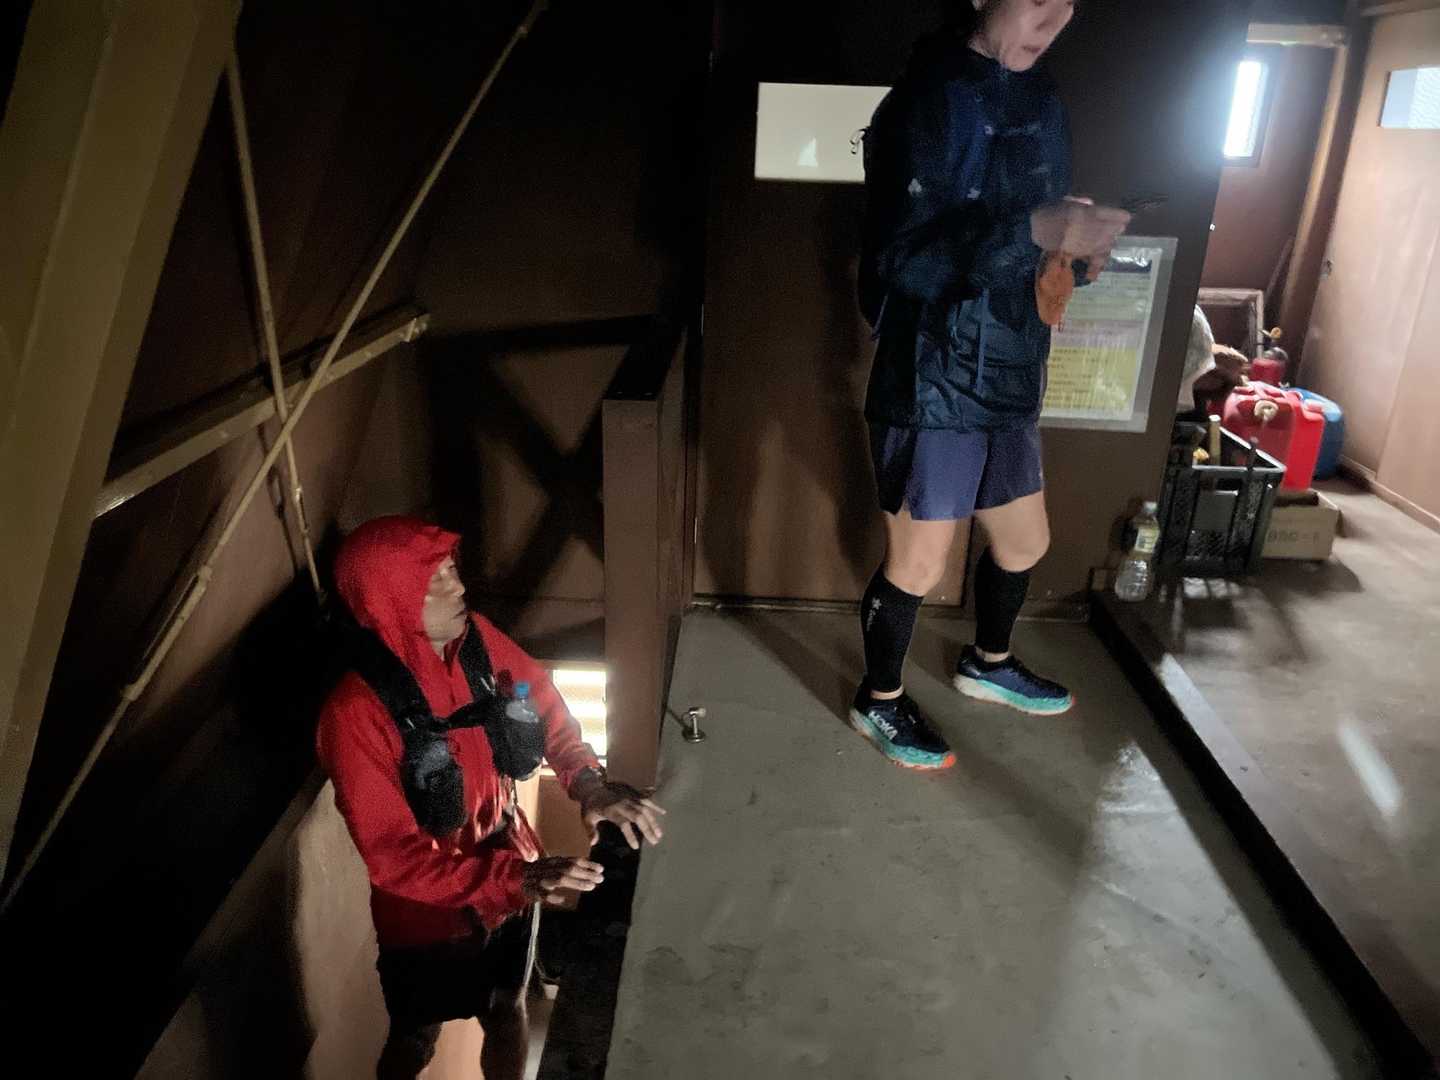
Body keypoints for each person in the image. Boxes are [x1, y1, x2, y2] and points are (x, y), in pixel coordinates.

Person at [851, 0, 1131, 770]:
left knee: (1025, 540)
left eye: (1067, 0)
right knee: (917, 563)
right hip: (929, 373)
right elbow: (900, 266)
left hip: (1012, 361)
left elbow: (1038, 234)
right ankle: (878, 700)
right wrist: (1034, 231)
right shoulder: (923, 102)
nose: (1055, 16)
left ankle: (988, 663)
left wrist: (1074, 250)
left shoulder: (1043, 103)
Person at [317, 516, 665, 1079]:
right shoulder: (355, 714)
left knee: (508, 1008)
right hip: (427, 914)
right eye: (434, 580)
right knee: (415, 1038)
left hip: (511, 866)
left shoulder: (475, 642)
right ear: (388, 597)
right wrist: (514, 878)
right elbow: (392, 857)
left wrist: (587, 782)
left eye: (452, 570)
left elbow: (542, 704)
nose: (458, 586)